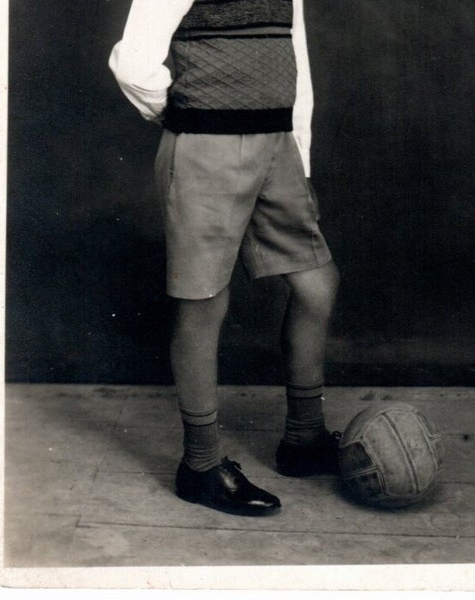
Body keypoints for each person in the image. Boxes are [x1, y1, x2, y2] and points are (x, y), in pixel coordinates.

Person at [109, 0, 340, 517]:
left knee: (317, 284)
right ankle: (201, 466)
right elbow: (132, 61)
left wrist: (300, 153)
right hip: (204, 145)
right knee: (204, 301)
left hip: (277, 146)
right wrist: (184, 113)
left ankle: (304, 440)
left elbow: (294, 59)